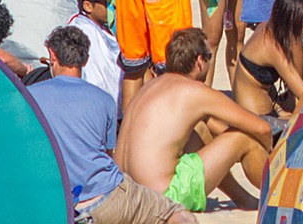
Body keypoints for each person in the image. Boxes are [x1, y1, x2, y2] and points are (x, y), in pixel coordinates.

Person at [113, 28, 275, 215]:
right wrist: (266, 151)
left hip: (126, 196)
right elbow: (262, 128)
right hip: (162, 201)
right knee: (242, 138)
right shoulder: (194, 91)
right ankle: (278, 192)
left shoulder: (148, 88)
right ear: (199, 61)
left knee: (198, 129)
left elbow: (212, 131)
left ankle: (242, 198)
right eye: (209, 56)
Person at [31, 24, 178, 224]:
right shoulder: (104, 99)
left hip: (55, 203)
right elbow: (109, 156)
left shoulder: (30, 97)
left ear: (52, 54)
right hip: (104, 200)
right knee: (176, 213)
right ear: (86, 59)